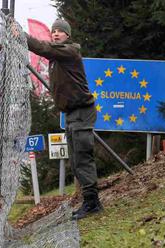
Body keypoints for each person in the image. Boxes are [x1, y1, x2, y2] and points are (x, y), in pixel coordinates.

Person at [23, 19, 103, 220]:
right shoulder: (57, 58)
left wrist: (21, 35)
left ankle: (93, 203)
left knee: (83, 157)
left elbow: (43, 48)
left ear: (68, 35)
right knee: (76, 160)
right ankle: (89, 201)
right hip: (70, 113)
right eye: (54, 31)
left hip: (81, 111)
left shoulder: (69, 51)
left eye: (60, 31)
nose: (56, 34)